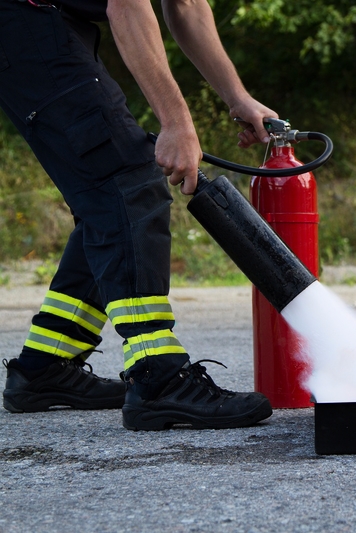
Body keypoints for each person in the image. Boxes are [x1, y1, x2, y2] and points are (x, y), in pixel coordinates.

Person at [0, 0, 275, 430]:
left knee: (106, 197)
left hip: (49, 26)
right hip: (25, 23)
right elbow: (126, 6)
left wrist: (236, 96)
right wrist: (177, 122)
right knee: (127, 181)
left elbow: (185, 5)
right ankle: (158, 378)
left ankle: (44, 365)